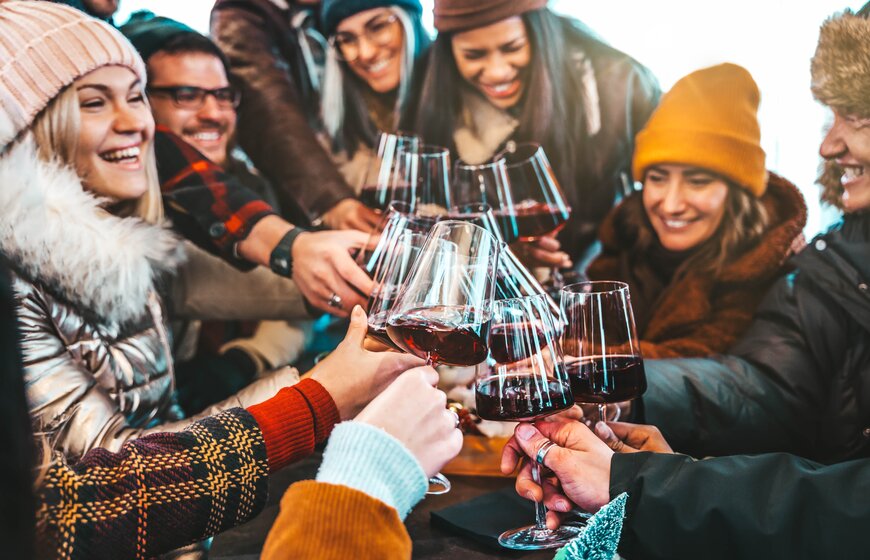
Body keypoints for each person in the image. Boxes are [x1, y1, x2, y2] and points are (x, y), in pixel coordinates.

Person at [499, 8, 870, 559]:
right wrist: (619, 404)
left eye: (857, 116)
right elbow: (761, 384)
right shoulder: (838, 262)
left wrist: (652, 482)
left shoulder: (785, 267)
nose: (828, 145)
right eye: (657, 178)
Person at [0, 0, 420, 478]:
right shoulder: (17, 286)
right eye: (95, 102)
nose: (136, 124)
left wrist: (384, 282)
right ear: (26, 127)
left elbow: (269, 288)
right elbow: (107, 480)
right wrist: (316, 396)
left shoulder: (131, 239)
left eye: (135, 97)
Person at [119, 13, 317, 410]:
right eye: (187, 95)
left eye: (223, 95)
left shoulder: (250, 185)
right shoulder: (120, 210)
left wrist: (248, 356)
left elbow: (292, 298)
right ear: (136, 101)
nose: (213, 113)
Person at [585, 63, 806, 359]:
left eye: (698, 181)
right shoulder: (623, 242)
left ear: (737, 194)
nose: (672, 204)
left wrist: (579, 357)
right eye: (658, 178)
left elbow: (712, 371)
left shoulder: (771, 272)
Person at [417, 0, 661, 268]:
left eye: (513, 48)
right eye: (474, 55)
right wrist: (500, 256)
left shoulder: (617, 85)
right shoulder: (429, 103)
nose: (498, 71)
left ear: (541, 34)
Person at [211, 0, 381, 231]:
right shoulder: (240, 13)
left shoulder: (322, 11)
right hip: (300, 210)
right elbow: (269, 109)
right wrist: (330, 199)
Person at [317, 0, 430, 188]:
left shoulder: (469, 106)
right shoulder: (334, 135)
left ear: (410, 22)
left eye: (378, 27)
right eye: (347, 39)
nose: (366, 53)